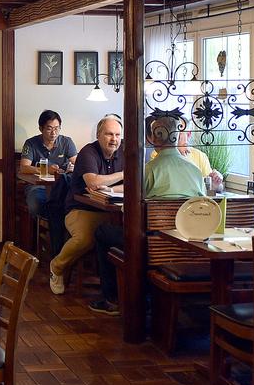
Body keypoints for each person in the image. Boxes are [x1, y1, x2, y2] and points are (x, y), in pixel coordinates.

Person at [88, 115, 205, 315]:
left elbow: (129, 212)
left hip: (152, 245)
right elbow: (202, 207)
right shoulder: (195, 171)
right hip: (189, 244)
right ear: (177, 137)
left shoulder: (147, 171)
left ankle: (112, 299)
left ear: (152, 138)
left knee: (102, 232)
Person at [49, 115, 124, 295]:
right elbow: (93, 182)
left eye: (117, 135)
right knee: (85, 237)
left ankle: (114, 287)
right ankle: (57, 267)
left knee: (129, 236)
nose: (114, 139)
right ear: (98, 135)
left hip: (112, 210)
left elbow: (136, 183)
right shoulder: (88, 152)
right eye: (109, 134)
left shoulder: (124, 152)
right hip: (81, 208)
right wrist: (123, 174)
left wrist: (113, 189)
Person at [19, 110, 78, 217]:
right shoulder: (31, 143)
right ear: (41, 129)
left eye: (57, 128)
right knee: (37, 203)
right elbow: (24, 167)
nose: (54, 133)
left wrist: (72, 168)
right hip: (38, 187)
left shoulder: (66, 142)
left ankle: (55, 229)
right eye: (49, 128)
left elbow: (78, 164)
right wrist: (45, 170)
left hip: (61, 187)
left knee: (74, 202)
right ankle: (51, 228)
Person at [149, 116, 223, 186]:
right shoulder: (158, 154)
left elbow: (213, 188)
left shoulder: (200, 156)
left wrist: (216, 182)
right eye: (173, 133)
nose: (175, 137)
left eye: (179, 133)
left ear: (188, 134)